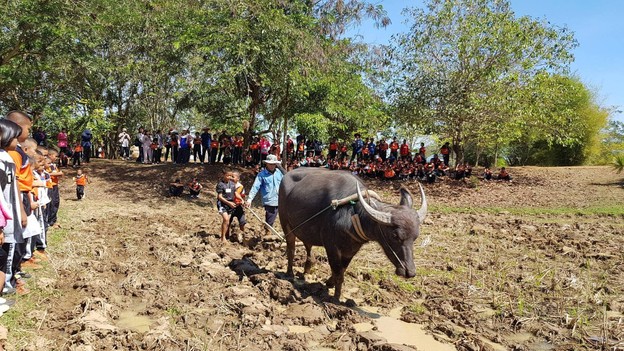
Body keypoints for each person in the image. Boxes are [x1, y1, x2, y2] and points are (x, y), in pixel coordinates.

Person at [245, 154, 284, 239]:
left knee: (281, 217)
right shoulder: (261, 175)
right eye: (270, 164)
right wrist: (249, 199)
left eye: (274, 164)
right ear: (266, 164)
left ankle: (270, 229)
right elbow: (255, 187)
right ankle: (268, 231)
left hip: (281, 198)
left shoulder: (279, 173)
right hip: (269, 199)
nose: (272, 166)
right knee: (271, 215)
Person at [216, 169, 237, 243]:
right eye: (228, 175)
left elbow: (235, 193)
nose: (229, 177)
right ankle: (223, 237)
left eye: (231, 176)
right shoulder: (220, 184)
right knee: (226, 219)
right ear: (224, 175)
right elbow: (220, 197)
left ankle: (225, 235)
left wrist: (242, 200)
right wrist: (228, 203)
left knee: (228, 221)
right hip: (223, 204)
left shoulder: (232, 184)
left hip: (230, 205)